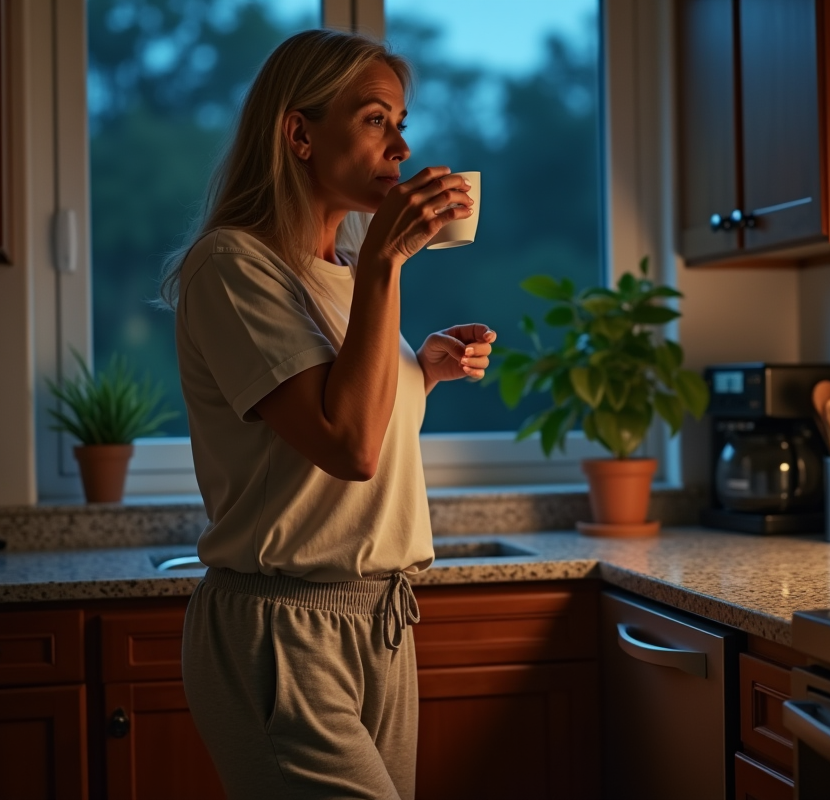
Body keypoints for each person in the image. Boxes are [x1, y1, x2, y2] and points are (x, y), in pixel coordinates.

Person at [161, 29, 495, 800]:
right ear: (300, 133)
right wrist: (386, 259)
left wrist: (424, 376)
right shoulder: (232, 266)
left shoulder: (342, 272)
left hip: (381, 621)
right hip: (283, 628)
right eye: (377, 119)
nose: (402, 146)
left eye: (402, 122)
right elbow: (347, 447)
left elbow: (357, 415)